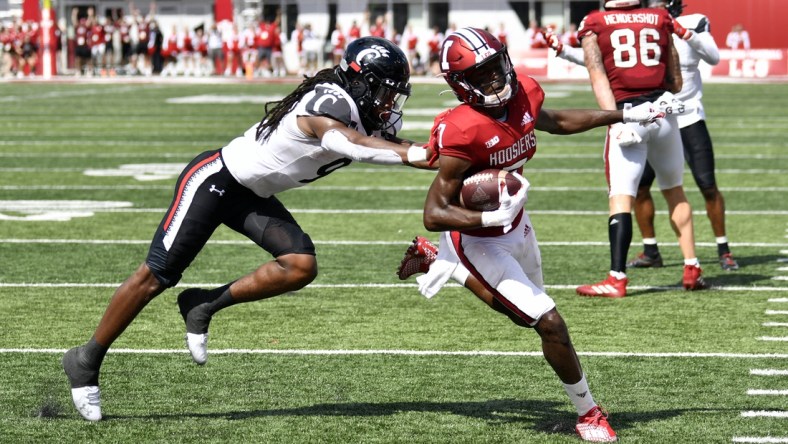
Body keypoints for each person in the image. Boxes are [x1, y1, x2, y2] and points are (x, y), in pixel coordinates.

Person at [62, 36, 432, 422]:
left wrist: (450, 156)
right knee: (156, 275)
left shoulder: (365, 111)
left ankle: (203, 304)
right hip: (215, 181)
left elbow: (396, 146)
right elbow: (354, 145)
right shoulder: (329, 101)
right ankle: (85, 360)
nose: (389, 105)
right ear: (359, 81)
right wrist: (423, 153)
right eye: (384, 92)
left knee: (300, 265)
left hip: (252, 195)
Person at [400, 27, 663, 442]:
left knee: (524, 316)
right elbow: (434, 211)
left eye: (494, 67)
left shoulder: (524, 92)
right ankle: (588, 414)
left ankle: (437, 260)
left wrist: (623, 115)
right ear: (460, 84)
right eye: (480, 74)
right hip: (477, 238)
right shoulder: (462, 129)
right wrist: (487, 221)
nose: (493, 79)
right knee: (550, 322)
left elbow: (555, 120)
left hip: (517, 223)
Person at [544, 0, 738, 271]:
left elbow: (713, 57)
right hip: (664, 111)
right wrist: (564, 51)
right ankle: (663, 254)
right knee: (659, 188)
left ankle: (721, 249)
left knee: (699, 185)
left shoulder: (683, 21)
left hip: (673, 114)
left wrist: (685, 33)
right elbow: (656, 74)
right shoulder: (655, 19)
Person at [573, 0, 706, 297]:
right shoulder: (660, 17)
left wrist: (613, 119)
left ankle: (617, 278)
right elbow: (675, 80)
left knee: (621, 197)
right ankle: (692, 267)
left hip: (629, 113)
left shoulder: (595, 22)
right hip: (664, 111)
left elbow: (597, 74)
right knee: (675, 190)